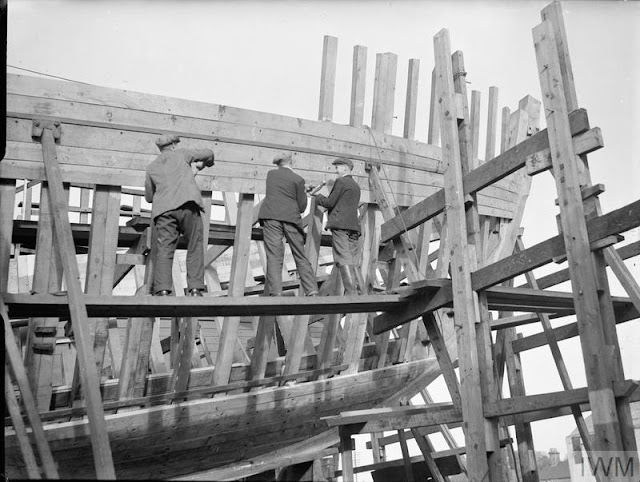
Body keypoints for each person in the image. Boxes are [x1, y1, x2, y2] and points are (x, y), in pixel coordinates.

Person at [144, 134, 214, 296]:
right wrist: (206, 164)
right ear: (174, 145)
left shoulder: (152, 167)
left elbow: (149, 197)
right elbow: (209, 153)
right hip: (187, 205)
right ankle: (195, 288)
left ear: (160, 149)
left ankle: (162, 290)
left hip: (164, 212)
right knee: (195, 246)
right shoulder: (182, 154)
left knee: (164, 249)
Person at [258, 153, 319, 297]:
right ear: (293, 161)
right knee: (300, 255)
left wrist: (301, 189)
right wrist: (303, 191)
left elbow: (281, 190)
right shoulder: (299, 180)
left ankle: (276, 293)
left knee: (274, 256)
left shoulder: (271, 174)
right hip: (291, 218)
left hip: (271, 216)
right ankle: (312, 290)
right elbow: (302, 206)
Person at [312, 157, 364, 295]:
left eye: (338, 167)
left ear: (345, 168)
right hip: (354, 227)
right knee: (352, 260)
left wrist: (317, 196)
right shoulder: (355, 186)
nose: (336, 171)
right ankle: (360, 291)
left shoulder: (341, 181)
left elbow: (330, 202)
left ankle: (351, 292)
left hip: (340, 225)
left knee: (343, 257)